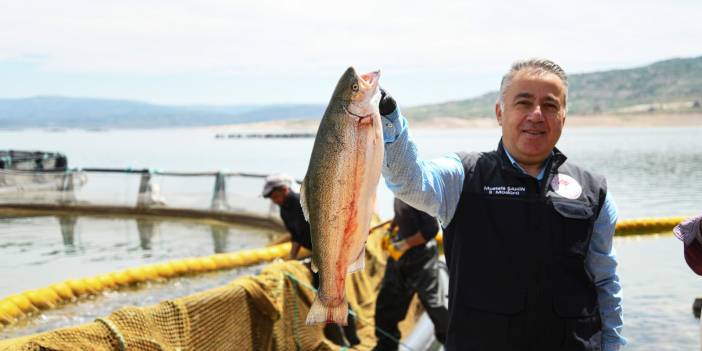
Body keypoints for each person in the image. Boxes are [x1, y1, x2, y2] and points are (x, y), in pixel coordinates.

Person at [378, 59, 625, 351]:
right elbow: (409, 181)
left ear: (563, 117)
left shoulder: (593, 190)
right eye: (524, 103)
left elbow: (605, 283)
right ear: (499, 112)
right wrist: (385, 115)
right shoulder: (463, 175)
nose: (536, 115)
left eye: (550, 105)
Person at [261, 174, 360, 346]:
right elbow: (296, 237)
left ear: (284, 190)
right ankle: (343, 339)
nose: (274, 200)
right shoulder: (284, 209)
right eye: (271, 198)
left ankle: (346, 340)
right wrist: (291, 260)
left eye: (275, 196)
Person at [373, 198, 448, 351]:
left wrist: (405, 244)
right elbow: (402, 213)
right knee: (387, 304)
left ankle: (454, 343)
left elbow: (430, 230)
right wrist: (393, 228)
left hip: (423, 258)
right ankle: (386, 346)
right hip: (400, 257)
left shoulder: (418, 192)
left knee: (438, 307)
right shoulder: (397, 186)